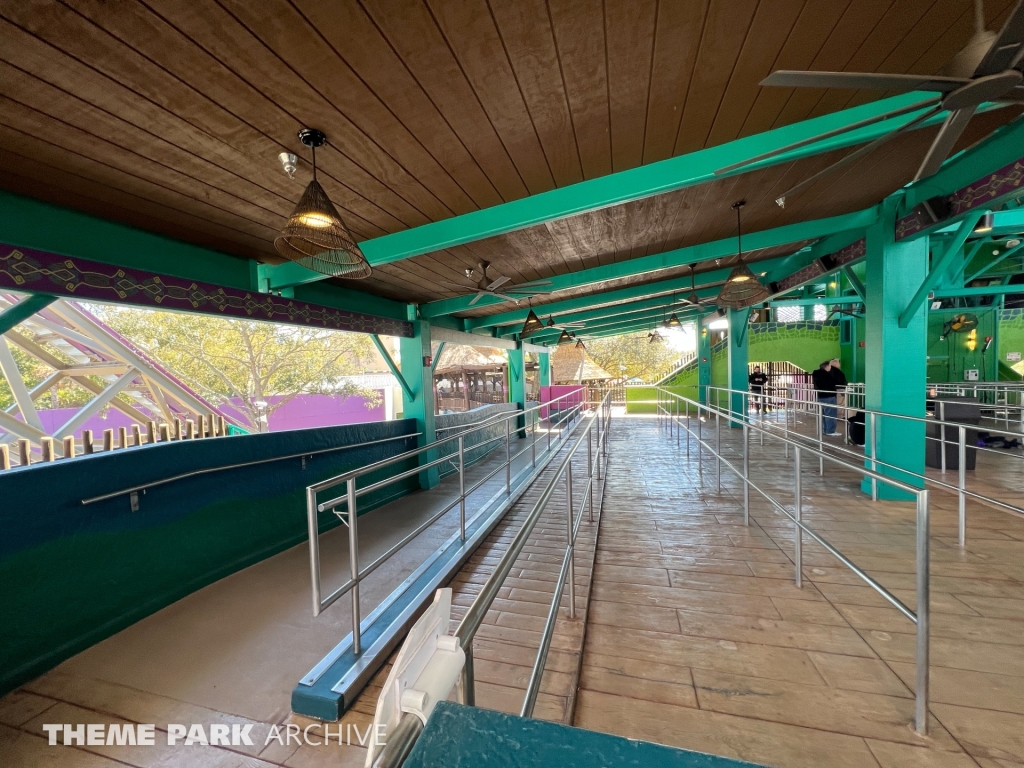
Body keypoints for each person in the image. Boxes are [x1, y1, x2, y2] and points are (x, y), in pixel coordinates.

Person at [811, 360, 841, 437]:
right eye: (830, 366)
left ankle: (826, 429)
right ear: (826, 367)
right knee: (831, 414)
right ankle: (830, 431)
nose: (831, 368)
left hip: (821, 396)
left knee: (824, 414)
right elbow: (833, 383)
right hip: (829, 396)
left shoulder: (816, 374)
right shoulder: (827, 375)